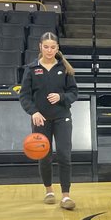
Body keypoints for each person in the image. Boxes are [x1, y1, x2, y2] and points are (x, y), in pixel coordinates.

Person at [19, 32, 78, 210]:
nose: (49, 50)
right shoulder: (31, 69)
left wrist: (61, 96)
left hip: (62, 117)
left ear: (57, 48)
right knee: (44, 157)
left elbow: (74, 93)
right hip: (40, 121)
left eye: (53, 47)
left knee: (64, 156)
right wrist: (33, 112)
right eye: (46, 47)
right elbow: (24, 96)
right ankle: (49, 191)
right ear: (40, 47)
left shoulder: (65, 69)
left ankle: (66, 196)